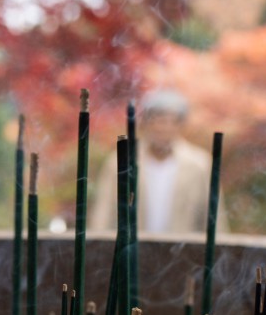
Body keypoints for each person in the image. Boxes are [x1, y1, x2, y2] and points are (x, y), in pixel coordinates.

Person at [91, 89, 216, 234]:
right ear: (146, 123)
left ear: (181, 125)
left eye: (171, 122)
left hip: (182, 251)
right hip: (131, 250)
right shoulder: (121, 161)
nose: (163, 128)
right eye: (158, 120)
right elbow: (103, 212)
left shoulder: (199, 164)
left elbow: (213, 218)